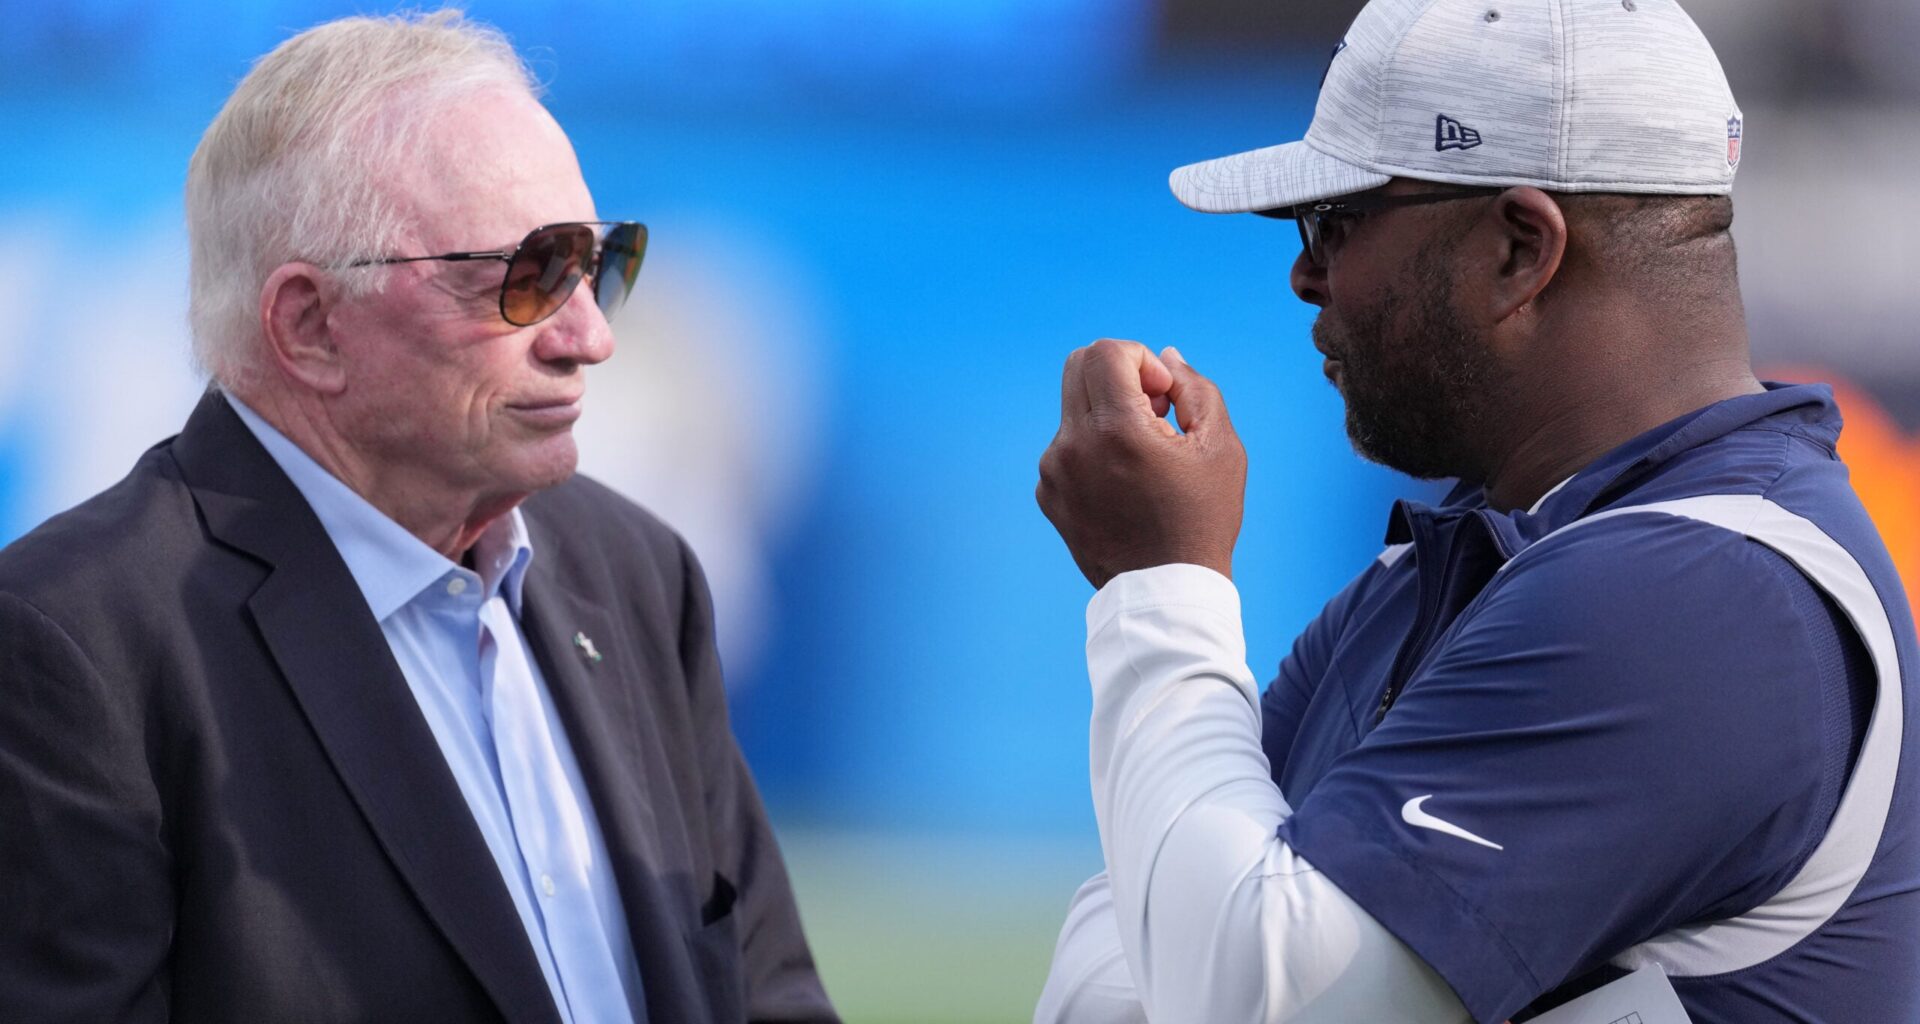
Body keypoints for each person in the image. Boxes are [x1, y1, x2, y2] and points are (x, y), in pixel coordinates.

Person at [1032, 0, 1920, 1022]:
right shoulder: (1446, 574)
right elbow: (1121, 980)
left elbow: (1244, 996)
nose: (1303, 274)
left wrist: (1160, 583)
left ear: (1517, 249)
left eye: (1338, 222)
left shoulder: (1699, 596)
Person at [0, 12, 836, 1024]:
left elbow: (765, 993)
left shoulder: (637, 575)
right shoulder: (71, 645)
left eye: (600, 265)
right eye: (530, 277)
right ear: (310, 325)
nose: (591, 335)